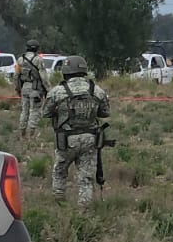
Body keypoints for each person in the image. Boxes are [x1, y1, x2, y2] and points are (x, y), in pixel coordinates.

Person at [43, 55, 109, 209]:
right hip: (90, 139)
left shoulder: (57, 92)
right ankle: (83, 209)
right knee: (86, 178)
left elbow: (45, 113)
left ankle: (60, 203)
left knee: (60, 171)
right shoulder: (97, 90)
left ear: (65, 72)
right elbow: (105, 112)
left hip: (66, 140)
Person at [16, 40, 51, 139]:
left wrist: (18, 89)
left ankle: (22, 134)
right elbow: (44, 77)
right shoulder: (38, 60)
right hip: (35, 88)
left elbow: (16, 76)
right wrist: (49, 90)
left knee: (24, 111)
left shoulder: (20, 60)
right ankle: (31, 135)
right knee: (34, 111)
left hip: (24, 88)